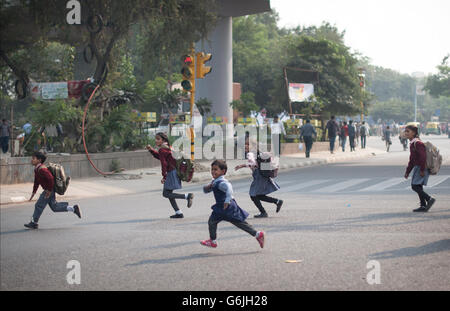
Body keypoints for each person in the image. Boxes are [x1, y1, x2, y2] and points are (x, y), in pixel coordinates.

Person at [200, 159, 265, 249]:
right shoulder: (215, 181)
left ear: (223, 171)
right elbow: (205, 190)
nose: (213, 171)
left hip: (227, 207)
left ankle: (258, 234)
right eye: (212, 169)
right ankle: (212, 241)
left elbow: (229, 188)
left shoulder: (222, 182)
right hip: (221, 207)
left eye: (215, 169)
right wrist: (208, 187)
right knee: (213, 221)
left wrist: (227, 201)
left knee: (239, 223)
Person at [24, 152, 81, 229]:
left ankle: (34, 223)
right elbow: (36, 181)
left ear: (39, 160)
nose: (32, 160)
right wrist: (33, 192)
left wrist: (49, 191)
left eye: (34, 158)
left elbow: (50, 179)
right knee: (55, 207)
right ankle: (74, 208)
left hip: (49, 190)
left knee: (38, 205)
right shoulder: (37, 169)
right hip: (49, 190)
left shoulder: (42, 169)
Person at [147, 132, 193, 219]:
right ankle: (178, 212)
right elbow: (161, 157)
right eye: (156, 139)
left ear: (163, 140)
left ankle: (187, 196)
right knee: (169, 193)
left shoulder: (162, 149)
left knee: (166, 193)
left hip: (170, 173)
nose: (156, 141)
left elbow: (163, 163)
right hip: (174, 171)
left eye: (158, 139)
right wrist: (151, 150)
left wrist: (164, 176)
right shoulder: (168, 147)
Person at [235, 143, 283, 218]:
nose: (245, 147)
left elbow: (253, 163)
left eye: (247, 145)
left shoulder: (250, 154)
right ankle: (276, 202)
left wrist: (241, 165)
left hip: (259, 176)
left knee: (253, 195)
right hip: (262, 175)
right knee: (259, 195)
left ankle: (264, 212)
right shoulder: (258, 153)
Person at [404, 125, 436, 212]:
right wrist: (407, 172)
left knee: (414, 186)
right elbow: (412, 160)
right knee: (418, 186)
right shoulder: (413, 143)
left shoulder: (417, 143)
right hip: (418, 167)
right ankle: (423, 205)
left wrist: (422, 170)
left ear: (414, 133)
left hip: (421, 167)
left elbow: (423, 157)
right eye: (405, 131)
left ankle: (429, 199)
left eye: (408, 131)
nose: (406, 133)